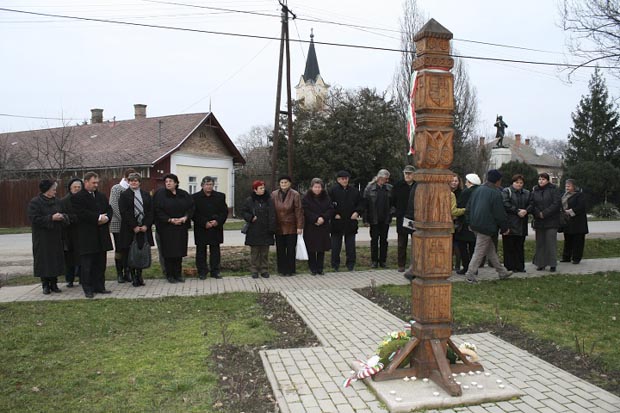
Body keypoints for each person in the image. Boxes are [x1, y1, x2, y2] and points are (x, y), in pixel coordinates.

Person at [463, 169, 513, 284]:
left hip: (475, 224)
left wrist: (469, 222)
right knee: (480, 251)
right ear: (498, 181)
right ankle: (470, 274)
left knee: (490, 250)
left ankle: (502, 271)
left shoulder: (478, 189)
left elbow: (469, 207)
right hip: (486, 226)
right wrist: (505, 227)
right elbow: (499, 213)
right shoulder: (495, 193)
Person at [71, 171, 114, 298]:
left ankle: (99, 286)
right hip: (87, 237)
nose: (96, 185)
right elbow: (81, 214)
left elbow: (109, 209)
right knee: (87, 265)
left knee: (100, 264)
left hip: (101, 235)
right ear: (86, 182)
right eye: (93, 182)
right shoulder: (78, 197)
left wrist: (107, 218)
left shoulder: (101, 196)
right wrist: (98, 217)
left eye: (97, 182)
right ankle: (88, 288)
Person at [28, 180, 67, 295]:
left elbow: (64, 213)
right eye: (53, 189)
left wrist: (62, 217)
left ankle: (54, 283)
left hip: (56, 236)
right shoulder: (35, 202)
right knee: (44, 260)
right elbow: (34, 219)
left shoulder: (57, 201)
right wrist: (51, 218)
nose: (55, 191)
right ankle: (45, 284)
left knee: (55, 259)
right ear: (47, 190)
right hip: (42, 238)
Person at [154, 173, 194, 283]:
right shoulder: (160, 194)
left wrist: (185, 217)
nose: (168, 183)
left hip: (181, 227)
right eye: (166, 182)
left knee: (179, 252)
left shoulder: (183, 194)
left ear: (176, 183)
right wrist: (169, 220)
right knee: (168, 253)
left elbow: (191, 207)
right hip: (166, 228)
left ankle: (178, 274)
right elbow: (157, 210)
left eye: (170, 181)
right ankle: (169, 274)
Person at [119, 172, 154, 287]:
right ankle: (133, 276)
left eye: (136, 180)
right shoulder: (124, 195)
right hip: (130, 229)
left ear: (139, 182)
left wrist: (146, 225)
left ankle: (140, 275)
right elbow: (124, 212)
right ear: (128, 182)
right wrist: (134, 226)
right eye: (131, 180)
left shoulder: (146, 195)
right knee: (131, 252)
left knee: (141, 251)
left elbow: (150, 211)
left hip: (143, 228)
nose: (133, 182)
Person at [192, 176, 228, 280]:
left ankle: (215, 271)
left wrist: (217, 221)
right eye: (207, 184)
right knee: (201, 251)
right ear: (202, 185)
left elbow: (224, 212)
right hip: (201, 228)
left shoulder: (220, 196)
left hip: (215, 227)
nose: (209, 186)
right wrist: (204, 222)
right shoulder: (195, 197)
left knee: (215, 251)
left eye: (211, 184)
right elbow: (193, 213)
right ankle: (202, 272)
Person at [328, 170, 363, 272]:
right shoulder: (332, 191)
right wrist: (334, 214)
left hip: (350, 221)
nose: (344, 180)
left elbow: (361, 203)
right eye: (342, 179)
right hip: (337, 222)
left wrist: (357, 212)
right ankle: (335, 265)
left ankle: (351, 265)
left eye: (346, 178)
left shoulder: (354, 191)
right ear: (338, 180)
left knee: (350, 246)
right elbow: (328, 204)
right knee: (335, 246)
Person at [242, 180, 276, 279]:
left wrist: (272, 227)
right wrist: (250, 217)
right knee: (255, 252)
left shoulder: (269, 200)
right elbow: (243, 212)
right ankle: (254, 270)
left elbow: (272, 214)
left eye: (263, 187)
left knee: (265, 252)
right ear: (255, 190)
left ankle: (264, 270)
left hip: (266, 229)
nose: (263, 189)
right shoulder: (249, 200)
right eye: (260, 188)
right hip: (254, 229)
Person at [272, 175, 304, 277]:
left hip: (291, 226)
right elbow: (271, 210)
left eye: (285, 182)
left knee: (290, 249)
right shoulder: (274, 194)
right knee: (280, 249)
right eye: (282, 182)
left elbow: (299, 211)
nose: (283, 184)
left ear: (289, 183)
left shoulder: (295, 194)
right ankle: (281, 270)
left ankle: (290, 269)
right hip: (278, 226)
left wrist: (299, 226)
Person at [529, 172, 561, 272]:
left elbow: (556, 203)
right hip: (539, 221)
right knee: (540, 243)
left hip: (551, 220)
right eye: (539, 179)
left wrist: (545, 213)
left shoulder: (553, 189)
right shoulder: (535, 190)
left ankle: (552, 264)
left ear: (547, 180)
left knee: (550, 243)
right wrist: (538, 213)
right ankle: (540, 263)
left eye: (543, 179)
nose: (541, 181)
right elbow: (532, 204)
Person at [302, 178, 335, 275]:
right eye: (315, 187)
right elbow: (305, 210)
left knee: (321, 248)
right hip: (311, 226)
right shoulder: (306, 198)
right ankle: (313, 268)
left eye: (319, 187)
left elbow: (330, 209)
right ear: (311, 187)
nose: (317, 189)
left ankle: (320, 268)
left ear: (322, 188)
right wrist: (315, 218)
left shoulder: (326, 197)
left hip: (323, 226)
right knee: (311, 248)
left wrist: (323, 218)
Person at [109, 168, 136, 284]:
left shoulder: (133, 189)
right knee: (119, 249)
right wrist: (125, 220)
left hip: (130, 225)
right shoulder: (116, 188)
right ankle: (119, 273)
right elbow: (113, 205)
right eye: (130, 178)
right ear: (125, 177)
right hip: (118, 224)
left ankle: (127, 272)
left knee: (128, 249)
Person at [363, 169, 393, 268]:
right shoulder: (369, 188)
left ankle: (383, 261)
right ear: (380, 178)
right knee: (374, 240)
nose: (387, 181)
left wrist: (391, 214)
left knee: (384, 240)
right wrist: (365, 219)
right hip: (374, 219)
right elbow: (365, 205)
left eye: (387, 179)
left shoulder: (389, 188)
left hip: (385, 219)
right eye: (386, 179)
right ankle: (374, 261)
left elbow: (393, 203)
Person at [501, 174, 530, 272]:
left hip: (522, 224)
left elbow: (531, 203)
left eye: (521, 183)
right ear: (512, 183)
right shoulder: (506, 191)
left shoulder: (527, 193)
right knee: (509, 246)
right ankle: (510, 267)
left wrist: (526, 211)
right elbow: (505, 203)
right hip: (510, 223)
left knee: (519, 246)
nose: (519, 184)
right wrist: (517, 211)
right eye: (517, 182)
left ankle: (520, 266)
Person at [454, 173, 480, 275]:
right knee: (473, 247)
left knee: (463, 247)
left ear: (470, 182)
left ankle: (466, 267)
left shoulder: (466, 192)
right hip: (476, 222)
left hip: (465, 223)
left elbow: (460, 205)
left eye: (466, 181)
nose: (465, 183)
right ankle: (474, 268)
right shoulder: (480, 191)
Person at [59, 178, 82, 287]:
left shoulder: (84, 199)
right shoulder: (64, 201)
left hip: (82, 232)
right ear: (70, 188)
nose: (77, 189)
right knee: (69, 258)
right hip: (69, 233)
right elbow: (63, 216)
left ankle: (82, 277)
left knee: (82, 257)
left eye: (79, 187)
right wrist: (73, 218)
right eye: (75, 187)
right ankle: (69, 279)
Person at [392, 165, 416, 272]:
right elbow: (392, 200)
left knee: (416, 242)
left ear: (414, 174)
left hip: (415, 218)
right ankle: (401, 264)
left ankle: (415, 264)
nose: (407, 175)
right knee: (402, 243)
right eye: (406, 173)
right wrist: (396, 212)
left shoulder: (418, 185)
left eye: (409, 173)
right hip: (402, 217)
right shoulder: (398, 185)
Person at [560, 179, 588, 264]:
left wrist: (570, 211)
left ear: (574, 186)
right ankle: (566, 257)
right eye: (566, 186)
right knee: (568, 239)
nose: (567, 187)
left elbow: (581, 207)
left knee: (578, 240)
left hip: (578, 222)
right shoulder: (564, 195)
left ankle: (576, 258)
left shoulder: (579, 195)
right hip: (567, 221)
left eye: (569, 186)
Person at [449, 173, 463, 271]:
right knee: (450, 244)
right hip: (450, 220)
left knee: (457, 244)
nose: (454, 183)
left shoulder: (461, 193)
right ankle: (450, 264)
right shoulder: (447, 192)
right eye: (452, 181)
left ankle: (458, 264)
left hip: (458, 221)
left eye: (456, 181)